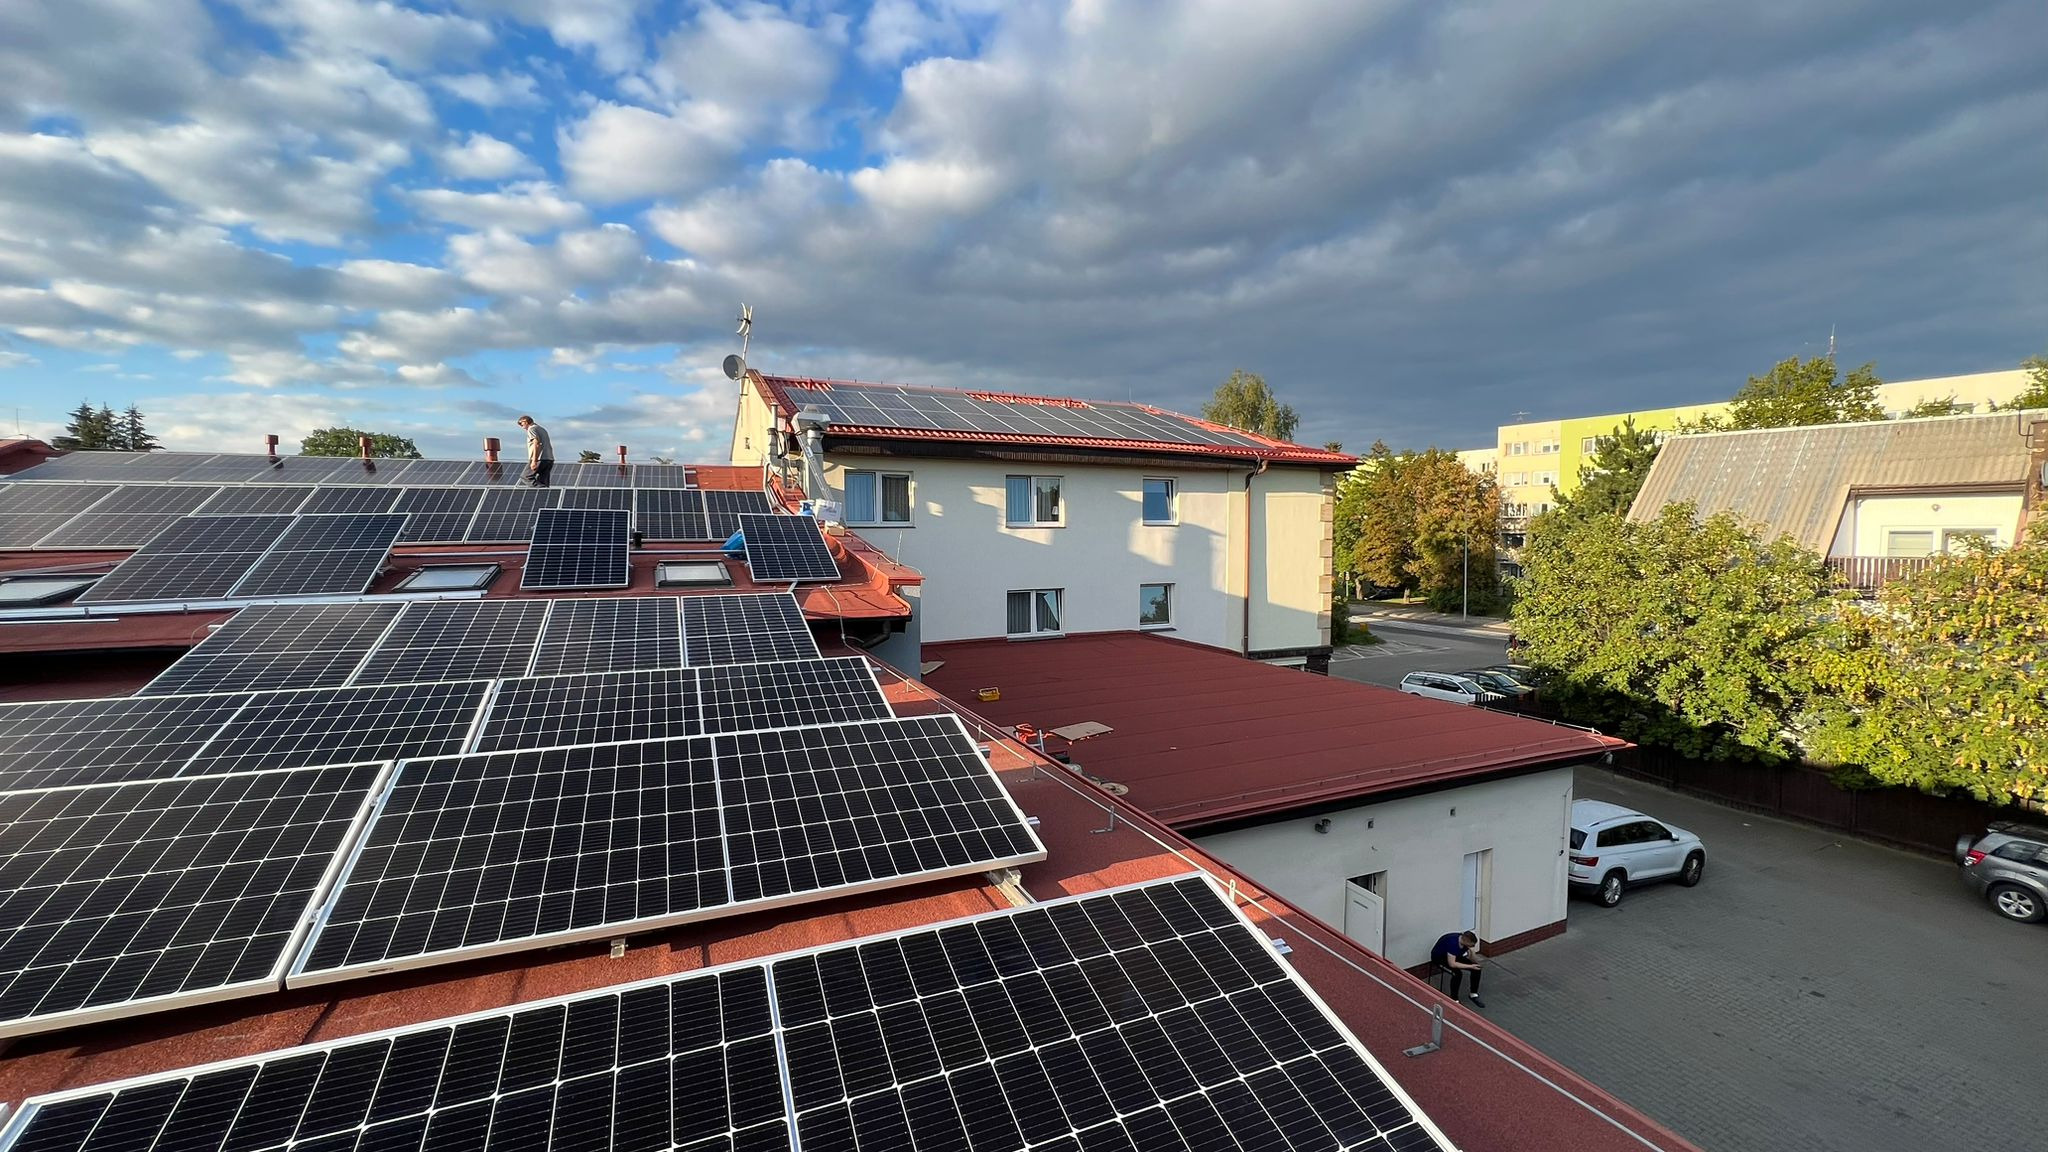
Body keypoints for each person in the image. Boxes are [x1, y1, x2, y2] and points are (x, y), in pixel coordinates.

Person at [1430, 930, 1485, 1007]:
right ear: (1466, 941)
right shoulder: (1453, 944)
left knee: (1476, 968)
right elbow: (1452, 964)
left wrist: (1472, 953)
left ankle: (1473, 994)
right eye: (1471, 945)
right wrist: (1470, 966)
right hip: (1440, 958)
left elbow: (1474, 960)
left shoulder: (1464, 942)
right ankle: (1454, 999)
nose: (1472, 946)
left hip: (1453, 956)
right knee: (1457, 974)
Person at [516, 415, 554, 487]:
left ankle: (540, 490)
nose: (522, 427)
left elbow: (536, 444)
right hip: (549, 459)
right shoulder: (542, 429)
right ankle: (545, 494)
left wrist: (534, 461)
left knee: (525, 476)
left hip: (540, 458)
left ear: (525, 422)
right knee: (543, 481)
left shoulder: (531, 429)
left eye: (521, 424)